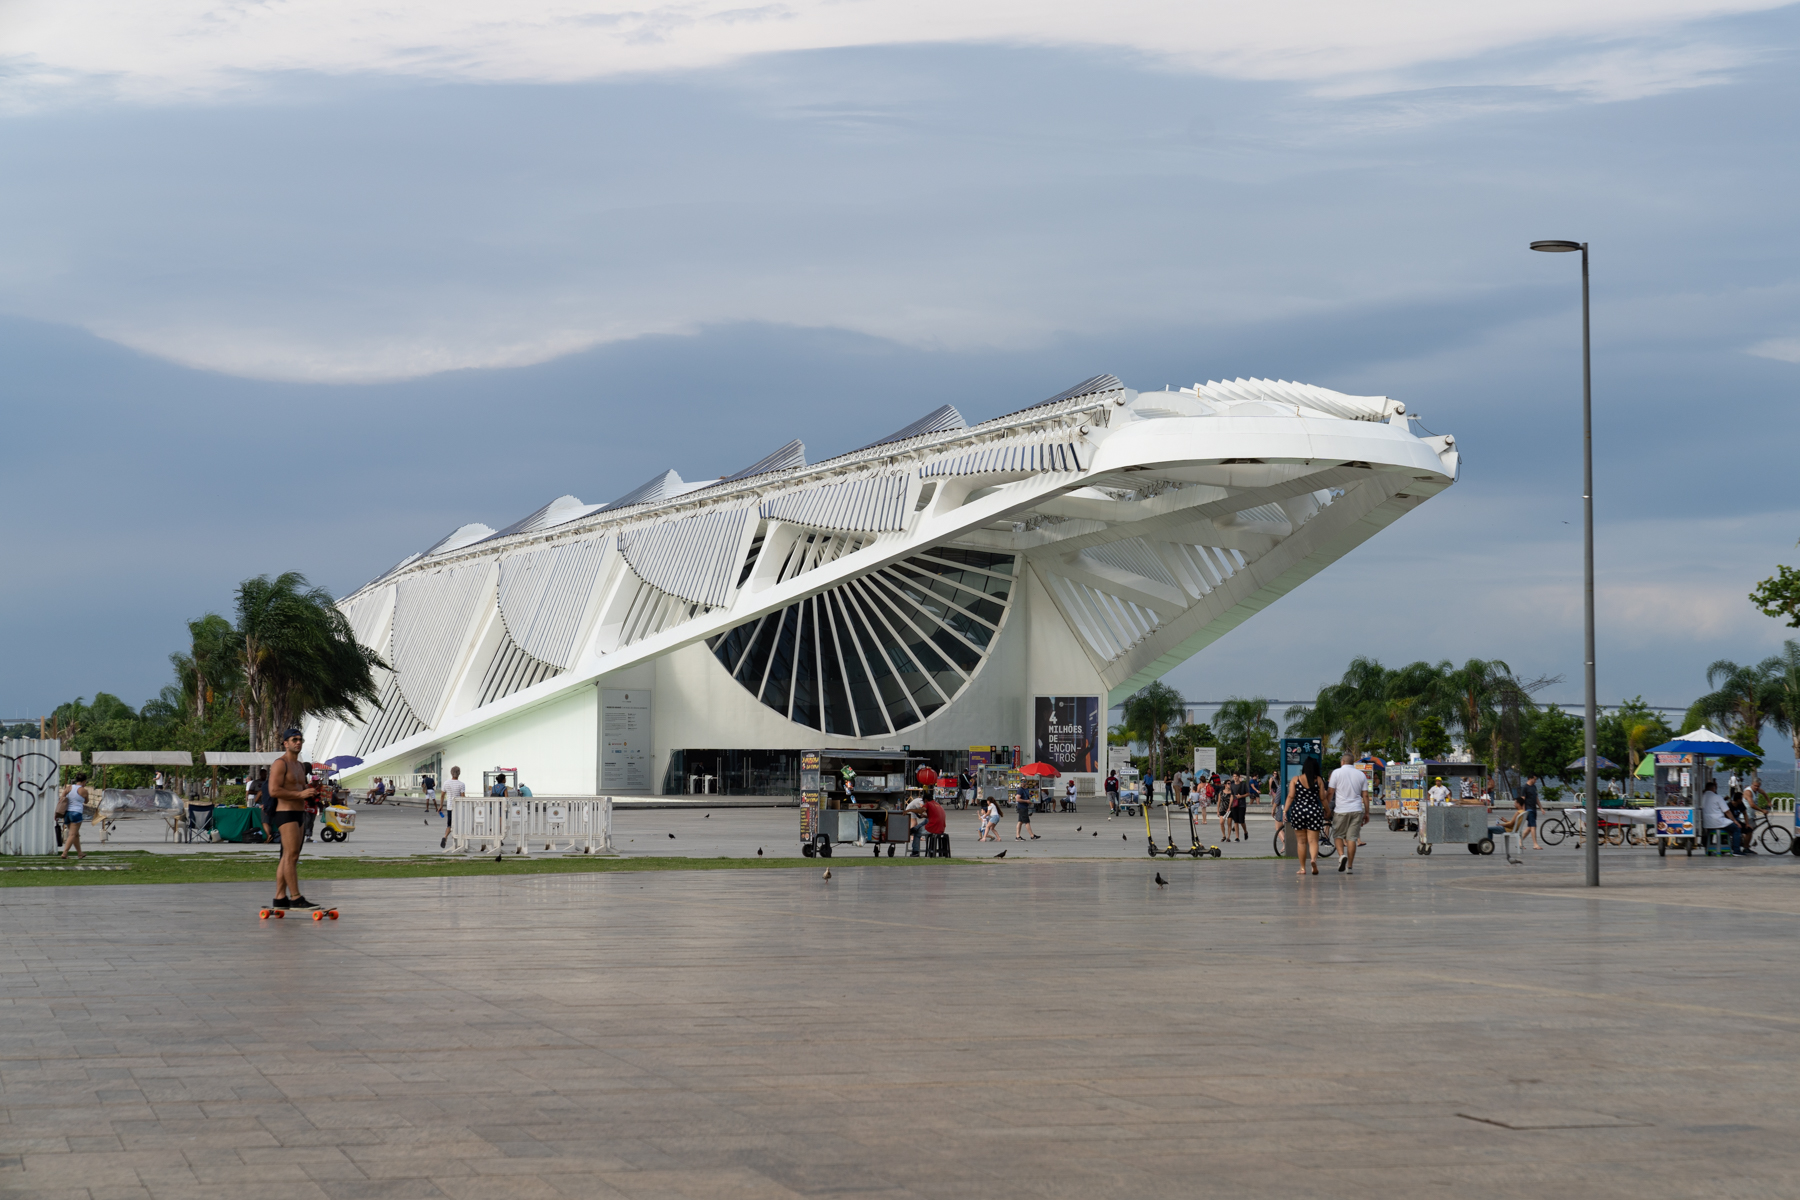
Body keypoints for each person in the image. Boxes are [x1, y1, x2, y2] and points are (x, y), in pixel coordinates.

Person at [268, 728, 319, 910]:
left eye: (300, 739)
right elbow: (273, 791)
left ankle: (280, 897)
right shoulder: (280, 764)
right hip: (285, 813)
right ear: (286, 743)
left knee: (289, 856)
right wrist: (300, 794)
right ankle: (296, 897)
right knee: (290, 856)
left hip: (299, 813)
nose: (298, 742)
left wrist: (311, 793)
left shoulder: (299, 765)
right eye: (294, 739)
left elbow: (301, 789)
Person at [1326, 753, 1367, 874]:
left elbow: (1330, 792)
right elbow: (1365, 795)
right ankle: (1349, 866)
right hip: (1356, 809)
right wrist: (1367, 813)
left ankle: (1341, 855)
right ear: (1352, 762)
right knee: (1352, 838)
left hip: (1341, 810)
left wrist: (1326, 808)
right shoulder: (1361, 774)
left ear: (1342, 762)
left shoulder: (1336, 773)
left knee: (1338, 835)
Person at [1285, 756, 1326, 876]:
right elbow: (1322, 798)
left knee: (1301, 842)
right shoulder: (1318, 780)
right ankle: (1313, 859)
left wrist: (1284, 811)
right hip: (1314, 811)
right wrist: (1327, 810)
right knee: (1313, 841)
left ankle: (1302, 868)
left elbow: (1291, 796)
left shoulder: (1295, 779)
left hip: (1298, 811)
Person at [1700, 775, 1749, 855]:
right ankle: (1736, 851)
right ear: (1713, 788)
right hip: (1718, 822)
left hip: (1707, 823)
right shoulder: (1717, 797)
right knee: (1737, 828)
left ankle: (1709, 849)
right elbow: (1727, 811)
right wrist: (1735, 821)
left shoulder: (1702, 797)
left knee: (1715, 830)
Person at [59, 772, 89, 860]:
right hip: (76, 813)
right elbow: (86, 801)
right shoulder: (83, 790)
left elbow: (62, 798)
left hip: (67, 813)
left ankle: (80, 853)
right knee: (72, 834)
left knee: (75, 834)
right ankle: (64, 853)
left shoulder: (69, 788)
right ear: (84, 781)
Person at [440, 766, 466, 848]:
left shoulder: (446, 783)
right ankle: (458, 842)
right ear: (459, 773)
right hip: (458, 808)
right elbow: (462, 797)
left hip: (449, 807)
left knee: (449, 825)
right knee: (458, 824)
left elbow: (442, 795)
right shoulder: (461, 784)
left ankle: (445, 836)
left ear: (451, 773)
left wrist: (441, 806)